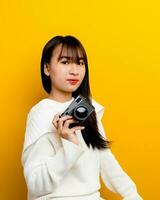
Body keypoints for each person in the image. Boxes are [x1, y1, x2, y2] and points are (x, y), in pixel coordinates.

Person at [21, 35, 143, 200]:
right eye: (65, 62)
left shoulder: (85, 108)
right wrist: (69, 145)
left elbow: (106, 161)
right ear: (47, 68)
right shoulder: (40, 113)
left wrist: (132, 195)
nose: (75, 70)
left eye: (80, 63)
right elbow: (35, 184)